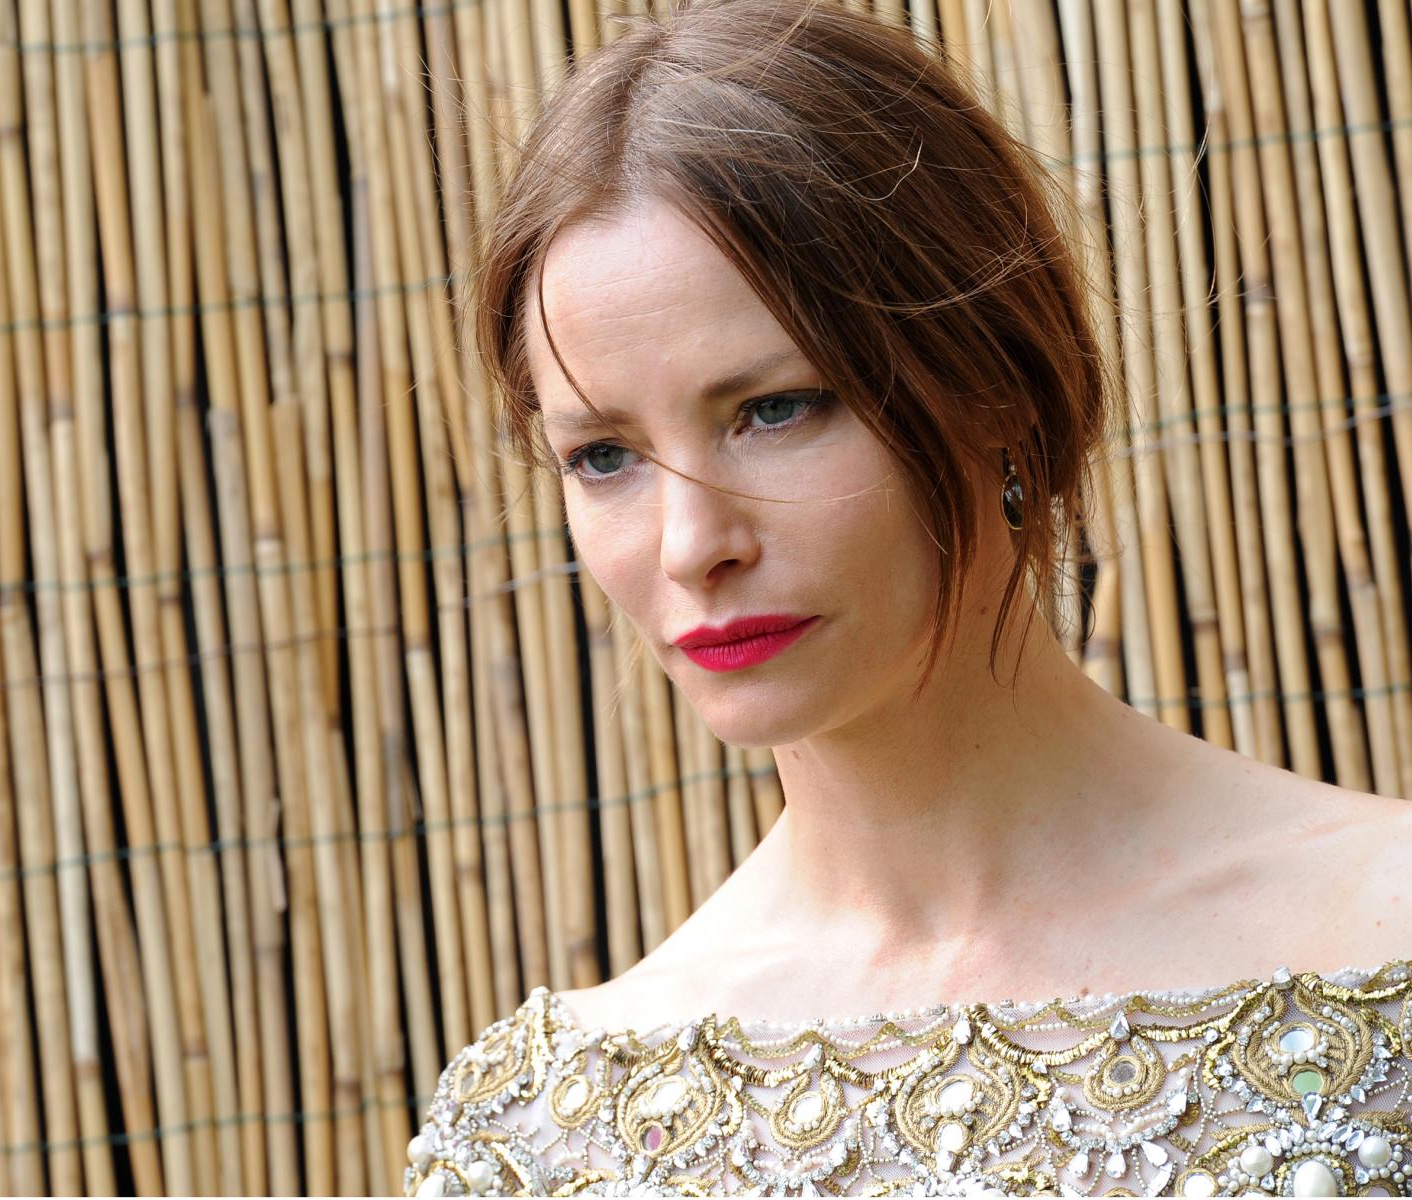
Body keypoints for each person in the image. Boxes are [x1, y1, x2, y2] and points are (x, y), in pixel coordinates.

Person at [405, 0, 1412, 1193]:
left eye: (775, 409)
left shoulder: (1384, 941)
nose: (690, 546)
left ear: (997, 383)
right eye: (603, 457)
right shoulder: (543, 1136)